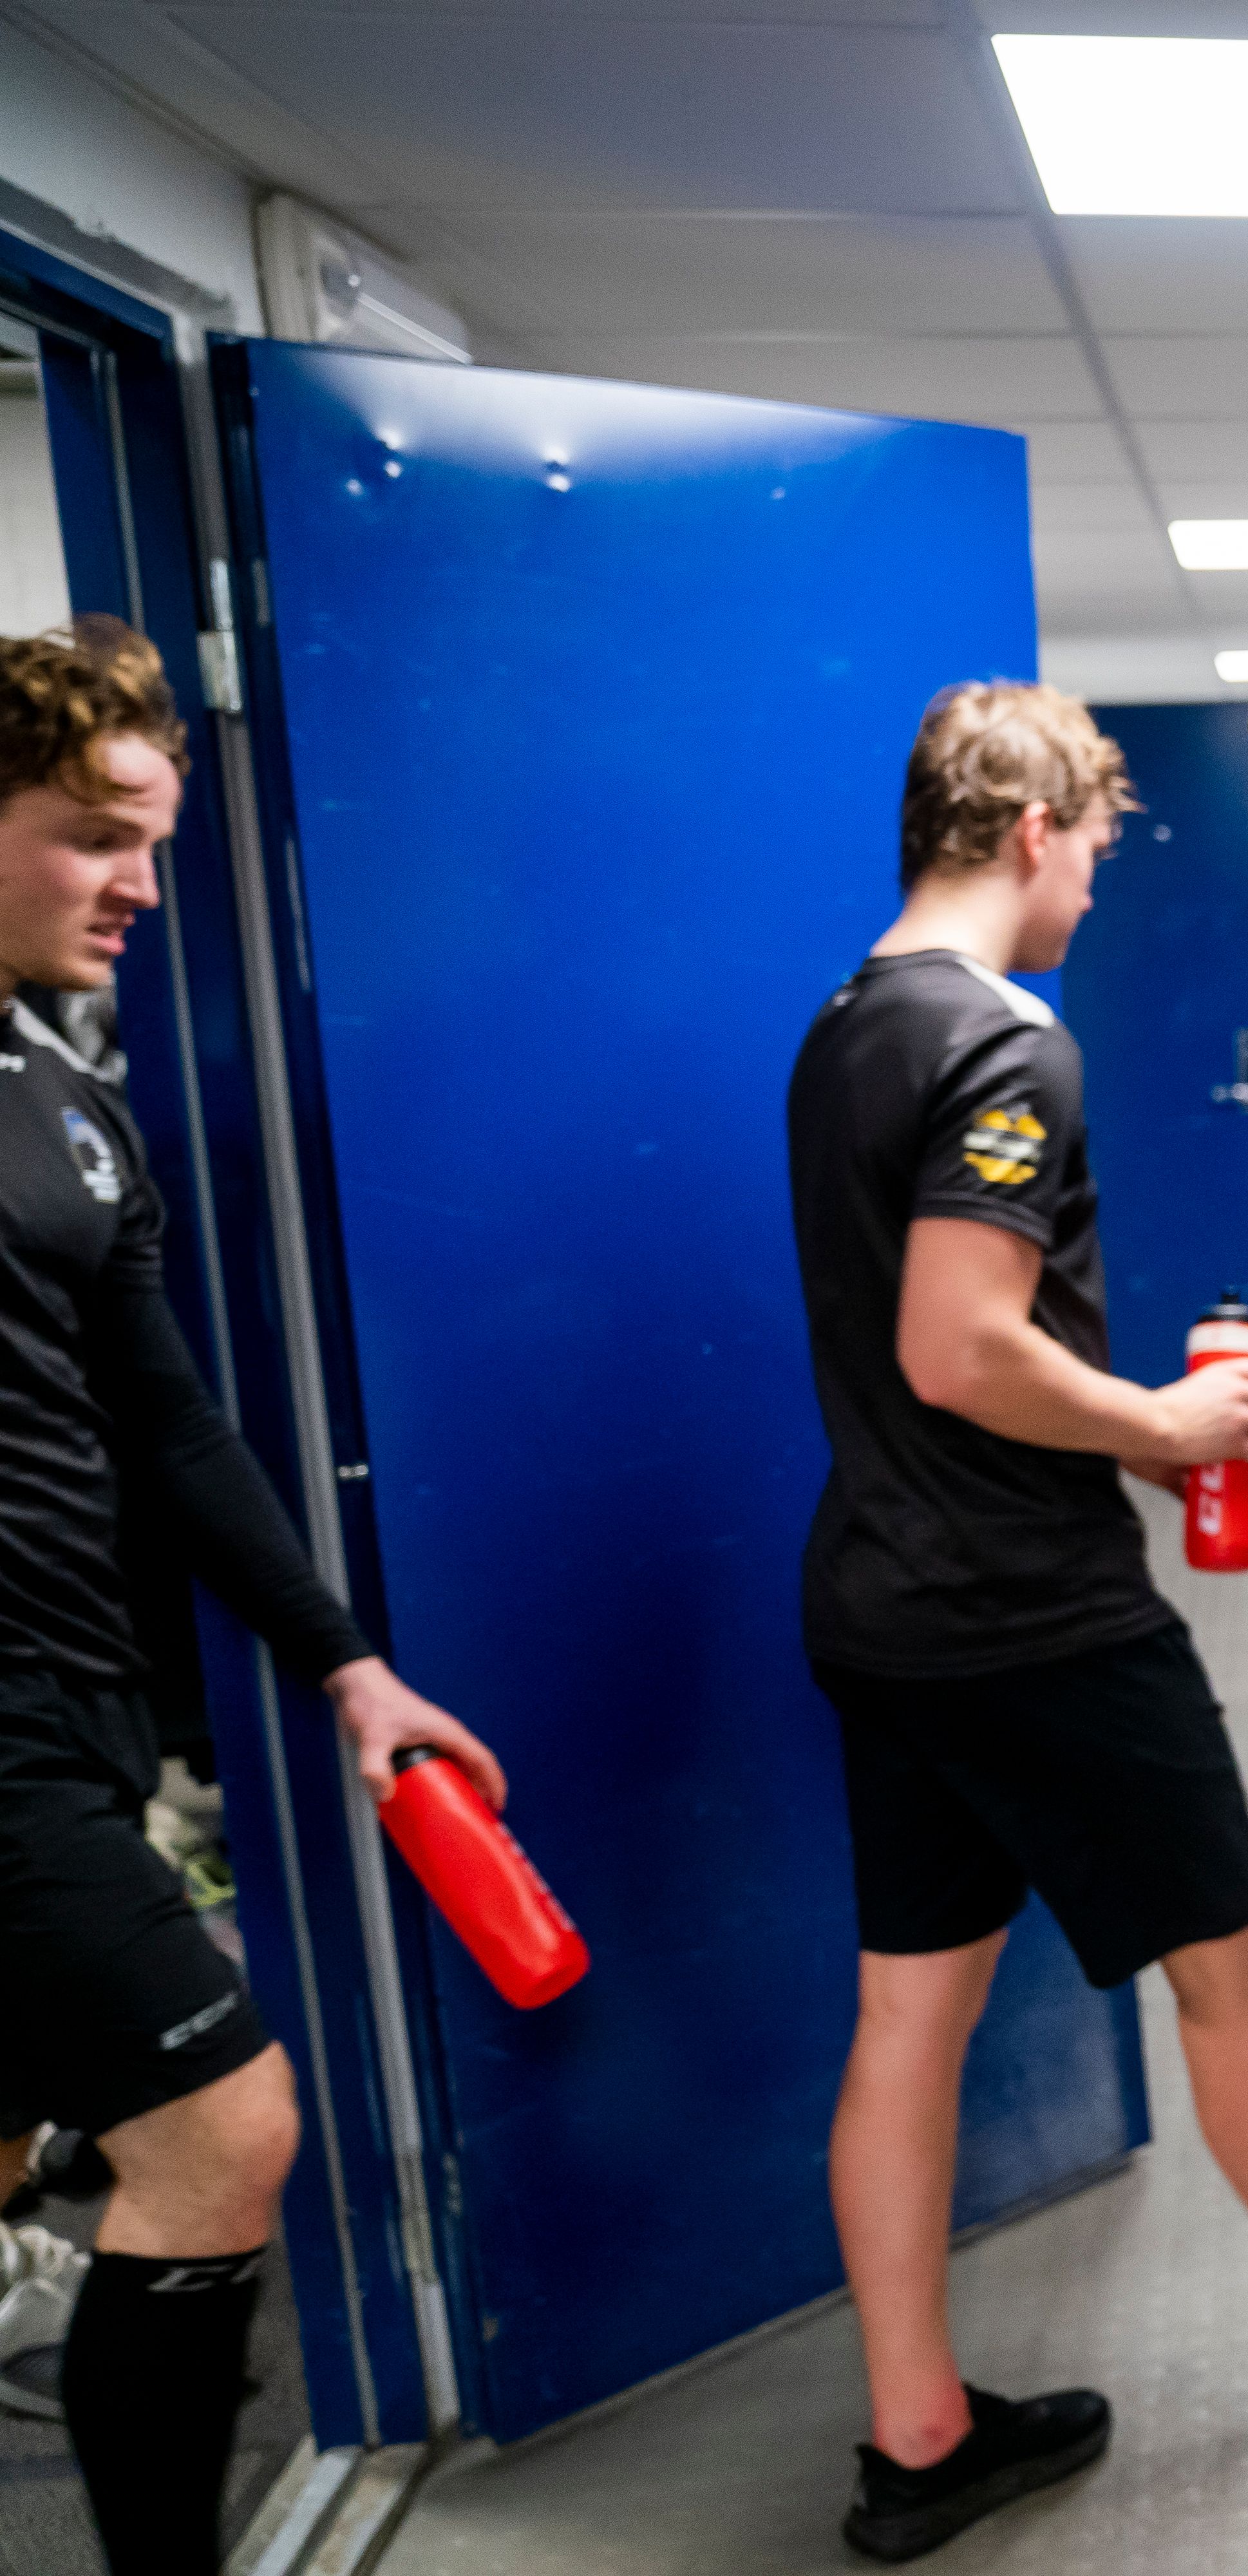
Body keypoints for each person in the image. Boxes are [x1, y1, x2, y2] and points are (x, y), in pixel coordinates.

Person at [786, 682, 1248, 2562]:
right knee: (1236, 1952)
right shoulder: (1001, 1042)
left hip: (881, 1593)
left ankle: (918, 2436)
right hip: (1026, 1610)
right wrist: (1166, 1427)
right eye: (1096, 853)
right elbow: (957, 1345)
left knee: (910, 2009)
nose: (1096, 891)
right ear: (1032, 829)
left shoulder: (842, 1024)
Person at [0, 620, 507, 2576]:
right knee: (226, 2128)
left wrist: (347, 1667)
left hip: (80, 1708)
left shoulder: (65, 1100)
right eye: (91, 837)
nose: (139, 886)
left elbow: (170, 1424)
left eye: (153, 842)